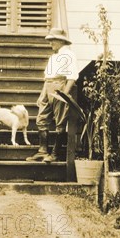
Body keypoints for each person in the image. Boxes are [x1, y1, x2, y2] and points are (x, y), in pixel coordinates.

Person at [26, 28, 79, 162]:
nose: (51, 44)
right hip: (48, 87)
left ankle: (54, 154)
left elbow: (72, 77)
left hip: (60, 86)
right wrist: (42, 95)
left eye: (53, 41)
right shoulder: (53, 57)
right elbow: (47, 78)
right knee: (42, 118)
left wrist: (64, 94)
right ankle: (42, 151)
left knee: (60, 121)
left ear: (61, 41)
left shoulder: (69, 55)